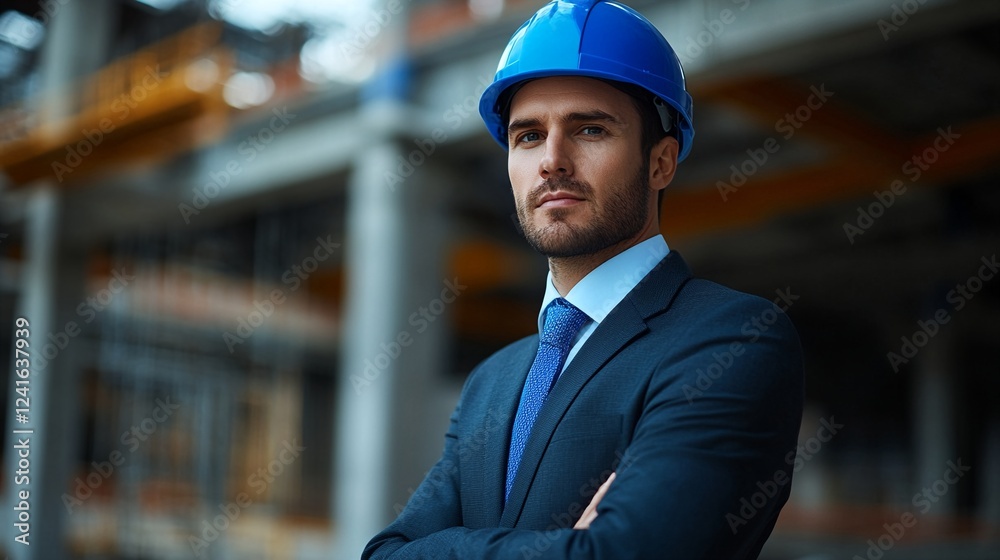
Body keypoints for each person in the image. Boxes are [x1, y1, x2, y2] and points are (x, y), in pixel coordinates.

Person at [363, 0, 804, 558]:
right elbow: (383, 553)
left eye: (590, 129)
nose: (551, 160)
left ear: (661, 163)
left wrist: (448, 547)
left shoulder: (733, 341)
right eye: (527, 136)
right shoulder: (492, 382)